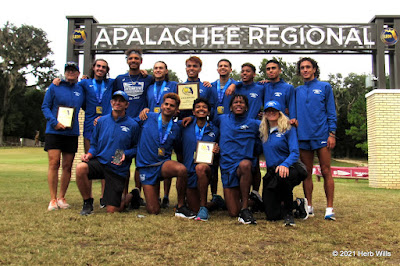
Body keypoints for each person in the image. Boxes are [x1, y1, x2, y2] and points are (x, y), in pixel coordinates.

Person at [75, 91, 139, 215]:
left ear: (126, 105)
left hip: (117, 168)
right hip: (101, 162)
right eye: (115, 100)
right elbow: (94, 145)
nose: (117, 103)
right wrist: (89, 155)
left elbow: (136, 148)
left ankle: (131, 196)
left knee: (112, 210)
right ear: (111, 103)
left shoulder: (133, 125)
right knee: (80, 168)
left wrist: (125, 153)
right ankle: (87, 202)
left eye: (121, 101)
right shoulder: (101, 121)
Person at [135, 93, 195, 218]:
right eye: (166, 104)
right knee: (153, 210)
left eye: (172, 106)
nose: (168, 107)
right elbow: (129, 125)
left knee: (181, 169)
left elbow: (179, 150)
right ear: (161, 106)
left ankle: (181, 206)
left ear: (177, 110)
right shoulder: (147, 117)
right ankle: (133, 195)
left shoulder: (176, 128)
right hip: (146, 167)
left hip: (162, 165)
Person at [295, 57, 337, 220]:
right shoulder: (297, 90)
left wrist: (331, 133)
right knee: (306, 173)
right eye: (302, 68)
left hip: (322, 136)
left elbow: (331, 112)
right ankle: (309, 206)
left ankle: (329, 208)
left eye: (308, 67)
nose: (305, 70)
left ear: (314, 69)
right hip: (303, 136)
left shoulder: (325, 87)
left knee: (326, 171)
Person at [41, 62, 85, 211]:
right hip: (54, 131)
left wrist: (86, 78)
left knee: (67, 166)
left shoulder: (81, 88)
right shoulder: (55, 86)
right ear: (65, 72)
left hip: (71, 133)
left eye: (74, 71)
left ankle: (61, 197)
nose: (70, 73)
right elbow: (45, 107)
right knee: (54, 163)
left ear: (78, 73)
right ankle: (52, 199)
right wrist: (54, 123)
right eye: (68, 70)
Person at [113, 49, 152, 207]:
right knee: (119, 158)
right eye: (131, 58)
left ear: (141, 61)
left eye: (137, 58)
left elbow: (161, 83)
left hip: (141, 125)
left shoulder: (147, 78)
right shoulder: (119, 79)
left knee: (140, 161)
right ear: (127, 61)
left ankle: (137, 194)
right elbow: (112, 98)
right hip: (122, 124)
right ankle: (117, 194)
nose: (134, 60)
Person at [259, 101, 308, 226]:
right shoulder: (263, 132)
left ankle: (288, 214)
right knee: (271, 215)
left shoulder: (288, 129)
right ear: (264, 114)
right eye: (268, 111)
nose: (271, 113)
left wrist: (285, 164)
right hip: (273, 171)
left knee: (283, 175)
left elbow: (295, 152)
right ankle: (297, 204)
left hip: (291, 168)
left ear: (280, 113)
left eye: (274, 110)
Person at [216, 94, 260, 225]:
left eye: (242, 102)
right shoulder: (222, 119)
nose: (238, 104)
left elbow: (273, 126)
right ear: (230, 107)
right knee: (233, 212)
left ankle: (245, 208)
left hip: (243, 167)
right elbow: (206, 125)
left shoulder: (254, 123)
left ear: (246, 107)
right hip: (227, 167)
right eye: (235, 102)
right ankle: (256, 203)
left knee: (246, 164)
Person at [139, 61, 178, 208]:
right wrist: (144, 111)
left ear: (166, 71)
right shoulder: (149, 87)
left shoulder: (173, 85)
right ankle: (137, 193)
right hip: (151, 123)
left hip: (166, 123)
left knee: (166, 157)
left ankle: (166, 196)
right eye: (155, 68)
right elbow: (144, 104)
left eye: (161, 68)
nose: (158, 70)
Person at [180, 98, 220, 221]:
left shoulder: (215, 130)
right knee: (193, 208)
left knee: (200, 167)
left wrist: (218, 150)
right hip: (189, 172)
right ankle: (216, 203)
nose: (201, 109)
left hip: (205, 170)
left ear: (208, 112)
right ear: (193, 112)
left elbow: (220, 148)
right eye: (198, 107)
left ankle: (203, 207)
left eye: (204, 107)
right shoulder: (185, 126)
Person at [262, 59, 297, 125]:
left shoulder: (288, 87)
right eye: (268, 69)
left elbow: (292, 108)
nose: (271, 71)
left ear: (280, 70)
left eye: (273, 68)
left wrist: (292, 120)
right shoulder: (263, 86)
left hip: (282, 125)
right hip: (267, 125)